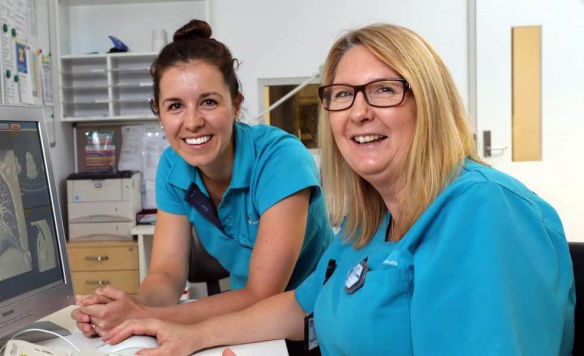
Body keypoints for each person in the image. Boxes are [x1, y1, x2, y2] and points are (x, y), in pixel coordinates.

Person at [100, 23, 575, 355]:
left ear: (430, 100)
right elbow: (296, 306)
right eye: (343, 94)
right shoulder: (369, 222)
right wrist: (186, 335)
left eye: (384, 90)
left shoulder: (484, 212)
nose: (359, 111)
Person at [71, 18, 332, 344]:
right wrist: (123, 308)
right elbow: (166, 275)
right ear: (160, 114)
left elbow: (261, 294)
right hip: (243, 325)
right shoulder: (172, 166)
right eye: (175, 106)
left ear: (236, 105)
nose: (192, 122)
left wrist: (143, 316)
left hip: (314, 325)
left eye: (208, 102)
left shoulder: (281, 159)